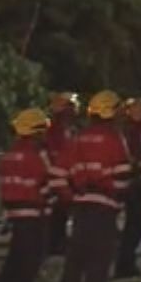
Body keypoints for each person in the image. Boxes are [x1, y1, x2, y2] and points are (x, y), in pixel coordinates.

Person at [61, 90, 133, 282]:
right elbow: (122, 175)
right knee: (100, 257)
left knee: (76, 257)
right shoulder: (114, 138)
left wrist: (71, 196)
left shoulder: (78, 138)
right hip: (104, 206)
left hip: (80, 205)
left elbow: (60, 172)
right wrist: (120, 197)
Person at [0, 108, 64, 282]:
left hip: (17, 214)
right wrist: (56, 203)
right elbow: (45, 184)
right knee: (30, 262)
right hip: (34, 215)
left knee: (16, 259)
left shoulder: (10, 155)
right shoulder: (35, 155)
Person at [114, 97, 141, 278]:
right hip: (136, 184)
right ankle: (124, 265)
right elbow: (135, 159)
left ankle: (126, 263)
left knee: (137, 225)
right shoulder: (134, 132)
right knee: (134, 226)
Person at [43, 91, 79, 254]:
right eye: (70, 106)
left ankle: (58, 242)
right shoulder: (54, 131)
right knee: (57, 213)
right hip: (54, 179)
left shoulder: (68, 129)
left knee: (62, 213)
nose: (74, 110)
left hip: (62, 177)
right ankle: (54, 244)